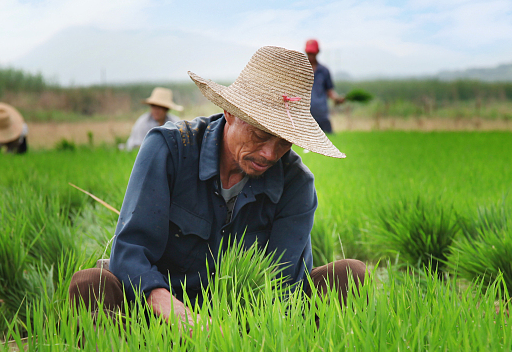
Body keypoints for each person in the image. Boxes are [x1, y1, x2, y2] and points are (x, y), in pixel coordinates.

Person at [68, 46, 367, 327]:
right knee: (89, 285)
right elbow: (130, 251)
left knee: (349, 276)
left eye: (284, 142)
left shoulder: (296, 183)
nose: (269, 154)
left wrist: (238, 337)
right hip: (159, 312)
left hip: (251, 317)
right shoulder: (170, 150)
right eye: (260, 135)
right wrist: (178, 314)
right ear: (230, 112)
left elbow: (283, 283)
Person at [305, 39, 345, 135]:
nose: (310, 56)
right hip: (305, 116)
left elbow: (329, 90)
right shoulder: (301, 70)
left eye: (313, 53)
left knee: (328, 141)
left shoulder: (324, 71)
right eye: (309, 53)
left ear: (318, 52)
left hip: (321, 114)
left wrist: (337, 98)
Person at [124, 87, 183, 151]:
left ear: (166, 109)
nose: (156, 111)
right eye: (154, 106)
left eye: (160, 108)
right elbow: (138, 147)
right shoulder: (143, 123)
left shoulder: (175, 122)